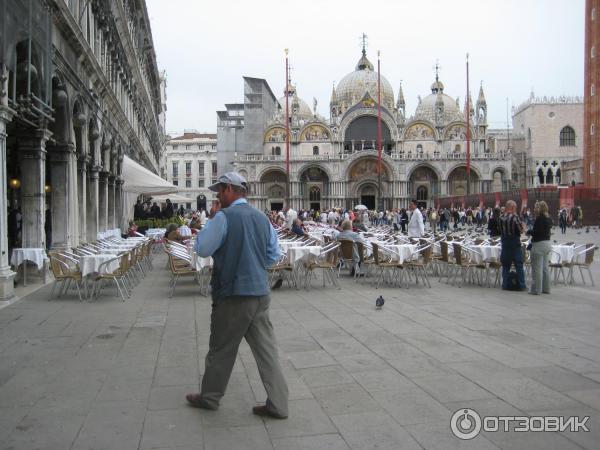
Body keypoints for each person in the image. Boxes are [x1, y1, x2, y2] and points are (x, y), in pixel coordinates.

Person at [186, 172, 288, 419]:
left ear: (231, 189)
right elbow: (275, 254)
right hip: (260, 292)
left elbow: (202, 249)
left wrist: (210, 222)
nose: (218, 195)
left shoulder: (223, 217)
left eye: (220, 190)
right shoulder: (262, 218)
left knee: (221, 348)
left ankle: (210, 397)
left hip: (233, 294)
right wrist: (252, 262)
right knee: (267, 350)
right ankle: (279, 404)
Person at [527, 201, 552, 295]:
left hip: (539, 245)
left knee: (537, 269)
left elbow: (537, 232)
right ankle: (546, 289)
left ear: (540, 208)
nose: (534, 209)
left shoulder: (539, 219)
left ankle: (536, 289)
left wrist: (529, 231)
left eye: (536, 207)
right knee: (545, 268)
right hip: (547, 244)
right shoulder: (548, 218)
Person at [500, 200, 526, 291]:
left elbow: (500, 230)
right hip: (515, 244)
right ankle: (522, 285)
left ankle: (505, 284)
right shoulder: (515, 217)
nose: (516, 209)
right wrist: (523, 227)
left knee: (506, 265)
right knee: (519, 264)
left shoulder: (501, 217)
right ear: (512, 207)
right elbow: (521, 230)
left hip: (505, 243)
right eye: (515, 207)